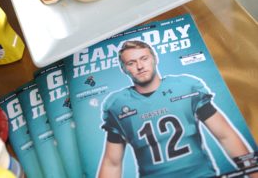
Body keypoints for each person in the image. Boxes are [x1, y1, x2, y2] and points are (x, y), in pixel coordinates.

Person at [98, 40, 257, 178]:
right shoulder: (117, 104)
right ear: (123, 69)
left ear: (154, 59)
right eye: (131, 63)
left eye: (144, 59)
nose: (140, 66)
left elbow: (225, 135)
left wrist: (254, 173)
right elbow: (112, 163)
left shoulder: (186, 86)